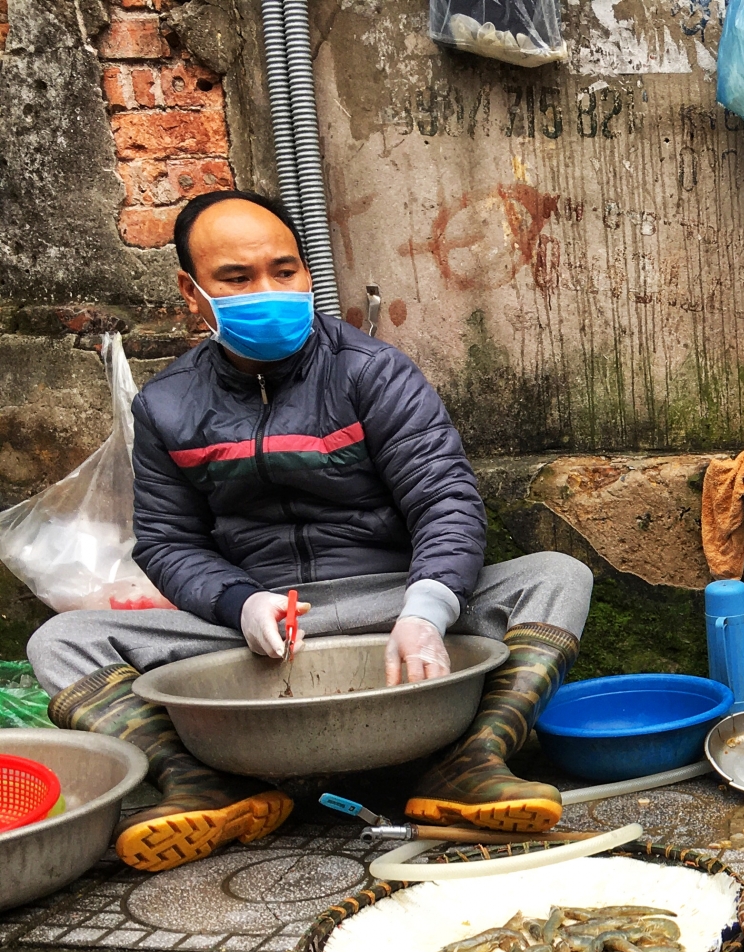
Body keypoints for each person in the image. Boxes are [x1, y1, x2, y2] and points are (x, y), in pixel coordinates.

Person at [27, 190, 594, 873]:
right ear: (192, 291)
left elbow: (446, 501)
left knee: (557, 578)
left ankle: (469, 761)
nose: (269, 291)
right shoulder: (167, 405)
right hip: (265, 625)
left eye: (285, 270)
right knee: (61, 641)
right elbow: (167, 542)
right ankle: (204, 784)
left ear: (307, 272)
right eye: (237, 278)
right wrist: (238, 601)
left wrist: (427, 610)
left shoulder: (370, 372)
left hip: (387, 602)